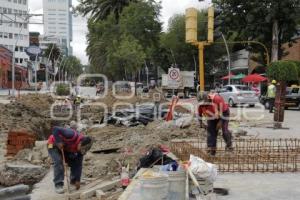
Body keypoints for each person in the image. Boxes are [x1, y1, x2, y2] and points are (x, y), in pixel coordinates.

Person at [47, 126, 92, 194]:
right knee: (59, 162)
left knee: (75, 161)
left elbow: (79, 165)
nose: (81, 151)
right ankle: (58, 184)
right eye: (81, 148)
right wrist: (58, 141)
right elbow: (55, 129)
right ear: (80, 143)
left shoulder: (80, 151)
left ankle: (73, 181)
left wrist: (78, 179)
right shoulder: (71, 134)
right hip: (52, 145)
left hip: (64, 148)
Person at [198, 91, 232, 156]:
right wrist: (201, 123)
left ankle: (229, 145)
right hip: (211, 117)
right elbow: (199, 115)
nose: (203, 105)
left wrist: (220, 122)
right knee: (211, 132)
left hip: (224, 113)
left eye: (205, 103)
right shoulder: (200, 105)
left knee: (225, 131)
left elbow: (223, 113)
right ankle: (211, 150)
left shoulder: (217, 99)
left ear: (208, 98)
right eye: (202, 104)